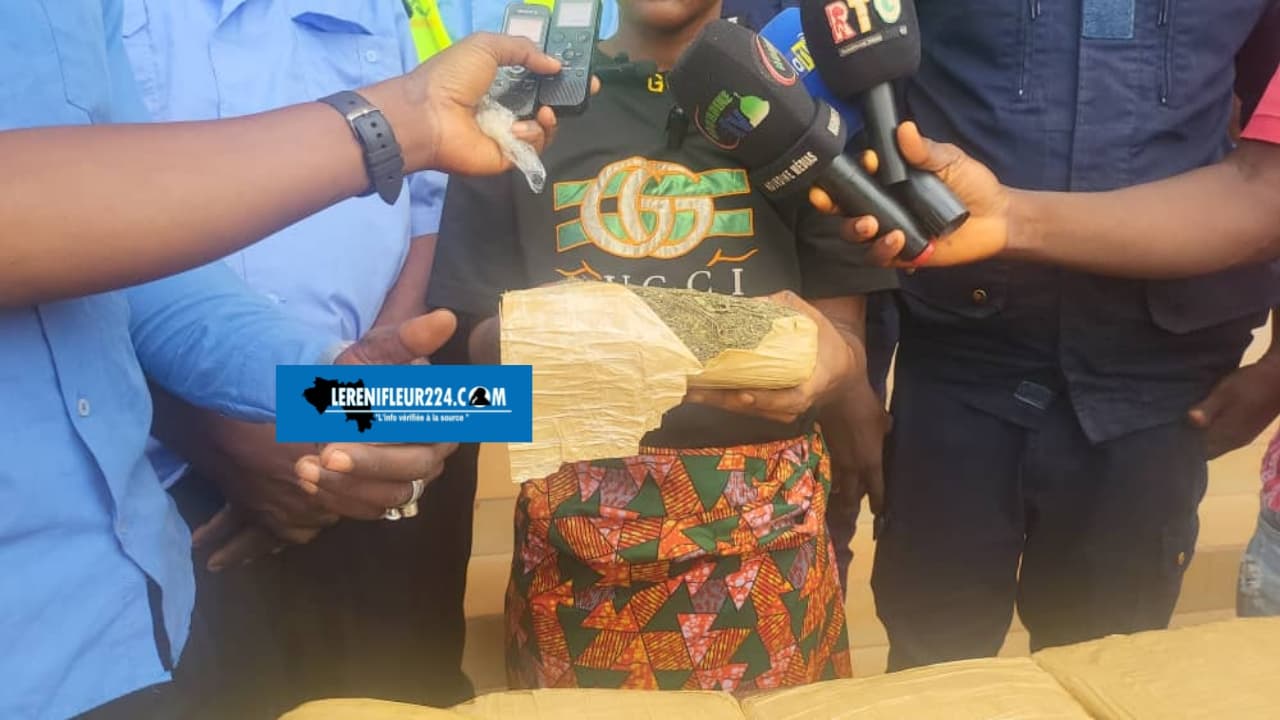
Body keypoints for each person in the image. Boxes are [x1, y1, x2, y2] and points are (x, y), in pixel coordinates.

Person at [0, 0, 569, 714]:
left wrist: (339, 392)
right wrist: (402, 119)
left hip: (137, 611)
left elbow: (133, 267)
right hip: (83, 583)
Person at [427, 0, 897, 692]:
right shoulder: (519, 112)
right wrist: (587, 338)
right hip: (579, 541)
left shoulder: (797, 105)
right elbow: (475, 348)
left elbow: (845, 338)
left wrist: (835, 364)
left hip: (769, 541)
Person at [807, 0, 1280, 672]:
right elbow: (844, 107)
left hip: (1156, 387)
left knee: (1114, 663)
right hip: (953, 368)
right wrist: (849, 357)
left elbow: (1267, 167)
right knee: (935, 661)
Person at [115, 0, 475, 713]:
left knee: (399, 692)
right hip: (158, 474)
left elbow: (431, 208)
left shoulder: (421, 15)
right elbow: (74, 231)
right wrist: (217, 433)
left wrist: (365, 409)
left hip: (374, 451)